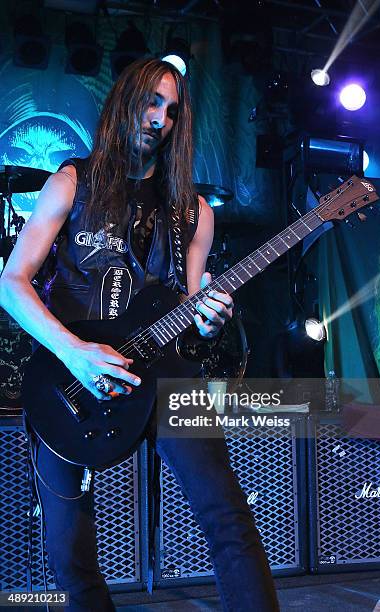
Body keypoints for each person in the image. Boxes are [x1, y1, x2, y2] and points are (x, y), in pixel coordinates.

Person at [0, 58, 280, 611]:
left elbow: (193, 299)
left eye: (172, 111)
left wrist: (209, 313)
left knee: (228, 517)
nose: (161, 118)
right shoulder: (71, 183)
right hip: (69, 373)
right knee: (69, 550)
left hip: (167, 368)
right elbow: (11, 284)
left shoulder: (193, 211)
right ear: (126, 99)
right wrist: (74, 351)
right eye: (152, 101)